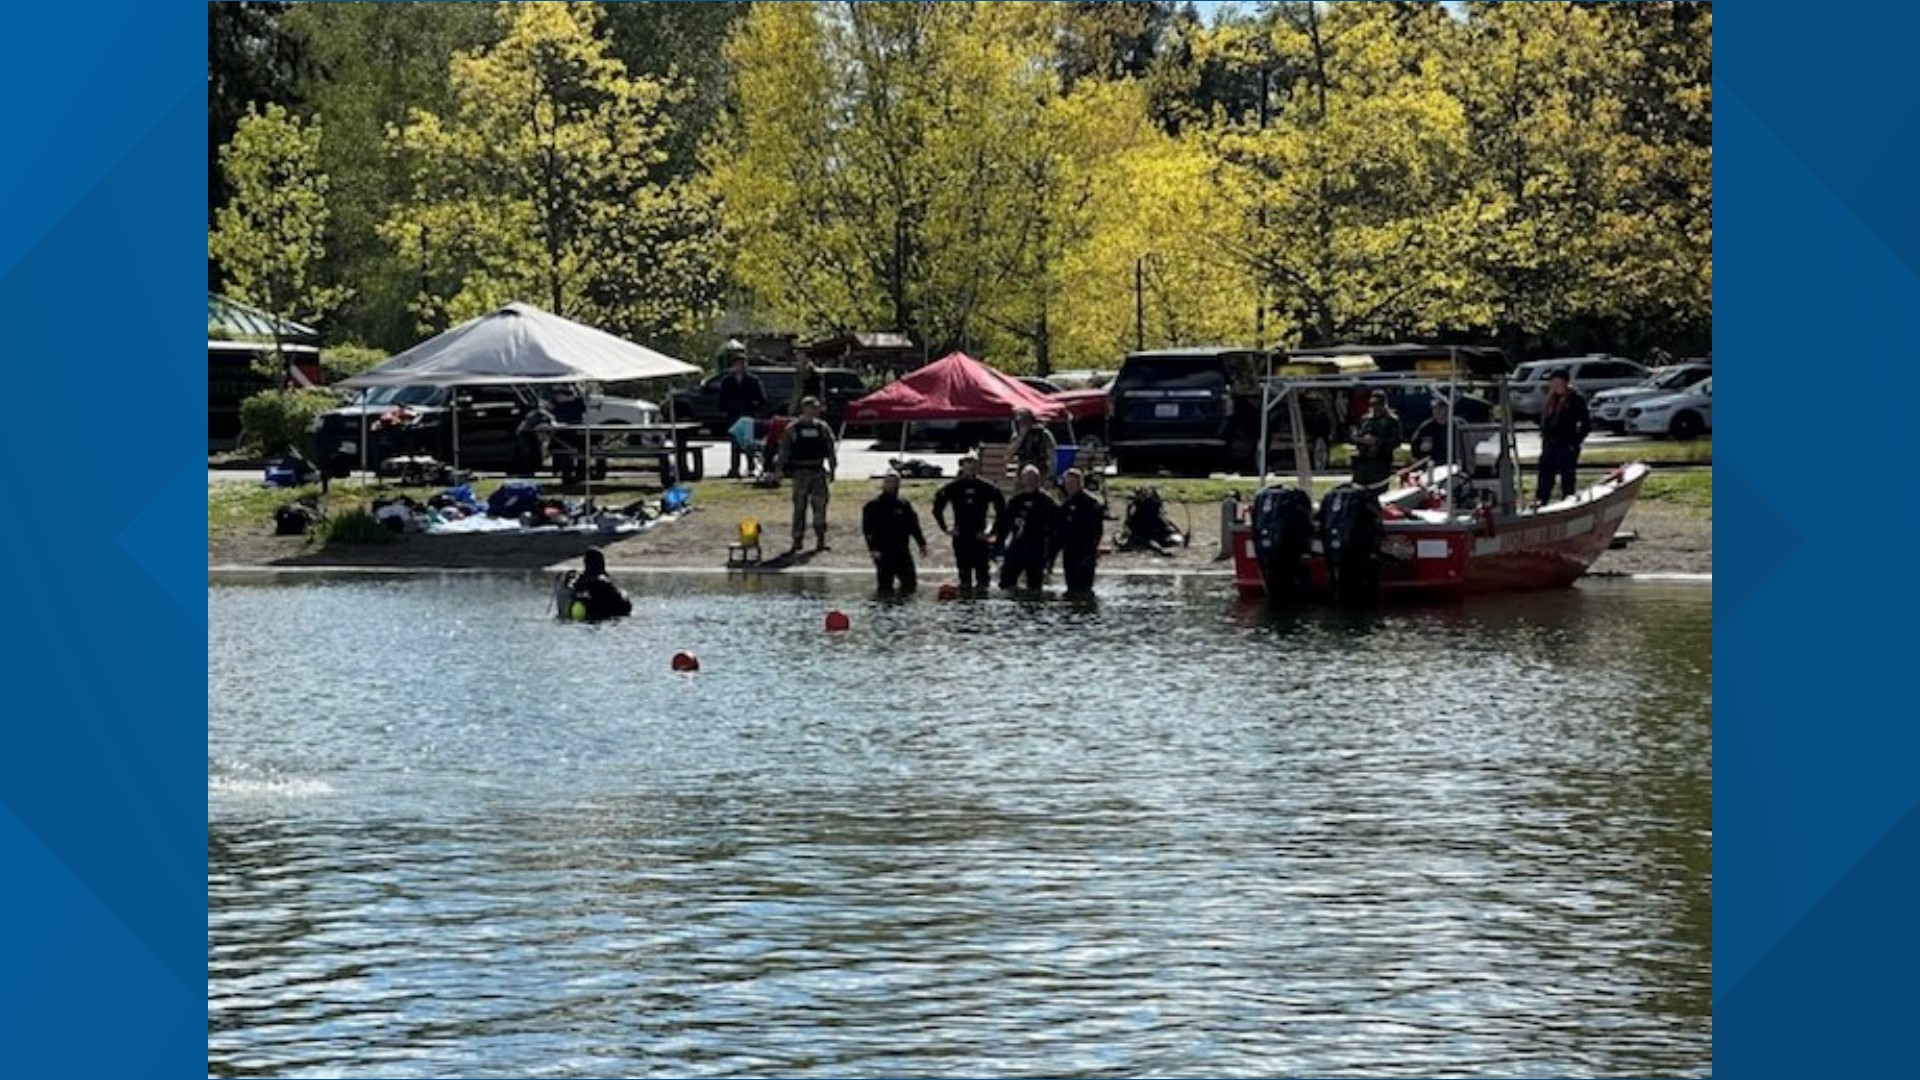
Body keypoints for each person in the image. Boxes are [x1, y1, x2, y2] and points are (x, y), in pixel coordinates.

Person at [932, 454, 1006, 591]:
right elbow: (937, 508)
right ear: (962, 467)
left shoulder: (987, 487)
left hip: (979, 536)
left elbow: (1001, 510)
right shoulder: (953, 487)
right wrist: (945, 528)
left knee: (983, 577)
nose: (970, 469)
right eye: (967, 465)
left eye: (973, 465)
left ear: (977, 466)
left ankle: (980, 604)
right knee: (964, 576)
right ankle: (965, 603)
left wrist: (992, 532)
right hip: (961, 535)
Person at [776, 396, 838, 551]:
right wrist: (779, 470)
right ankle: (797, 539)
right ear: (804, 409)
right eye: (811, 408)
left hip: (817, 471)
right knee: (799, 507)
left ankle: (820, 539)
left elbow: (830, 449)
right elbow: (784, 450)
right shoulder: (792, 429)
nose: (814, 411)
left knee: (820, 507)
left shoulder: (822, 428)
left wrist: (833, 468)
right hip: (800, 472)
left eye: (816, 408)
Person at [862, 470, 929, 594]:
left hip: (902, 551)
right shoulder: (873, 506)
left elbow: (913, 526)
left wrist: (921, 544)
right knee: (885, 587)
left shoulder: (904, 504)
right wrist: (873, 549)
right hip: (883, 552)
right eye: (889, 482)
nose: (892, 485)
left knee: (910, 584)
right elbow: (868, 530)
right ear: (884, 484)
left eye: (895, 482)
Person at [995, 465, 1058, 592]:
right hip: (1017, 546)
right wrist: (998, 546)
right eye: (1027, 478)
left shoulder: (1047, 501)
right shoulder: (1015, 501)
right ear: (1022, 480)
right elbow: (1004, 525)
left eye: (1033, 479)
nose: (1030, 482)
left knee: (1034, 586)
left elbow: (1055, 528)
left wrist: (1050, 555)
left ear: (1039, 480)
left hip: (1037, 548)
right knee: (1005, 583)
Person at [1536, 368, 1592, 504]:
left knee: (1567, 476)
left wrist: (1575, 441)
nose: (1553, 385)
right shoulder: (1550, 399)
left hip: (1567, 444)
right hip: (1550, 443)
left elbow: (1586, 424)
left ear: (1564, 382)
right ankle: (1541, 501)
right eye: (1552, 382)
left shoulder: (1575, 399)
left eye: (1556, 382)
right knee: (1545, 475)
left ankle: (1568, 500)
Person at [1054, 468, 1106, 594]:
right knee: (1071, 587)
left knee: (1084, 588)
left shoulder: (1091, 503)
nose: (1070, 486)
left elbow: (1097, 529)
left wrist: (1093, 549)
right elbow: (1060, 530)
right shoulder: (1066, 505)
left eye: (1073, 483)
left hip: (1085, 550)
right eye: (1068, 483)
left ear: (1080, 483)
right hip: (1069, 550)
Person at [717, 358, 767, 478]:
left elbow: (762, 398)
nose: (740, 366)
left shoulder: (753, 380)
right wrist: (723, 410)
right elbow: (722, 398)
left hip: (747, 415)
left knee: (748, 442)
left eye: (742, 364)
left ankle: (751, 467)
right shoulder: (727, 381)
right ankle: (734, 469)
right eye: (737, 364)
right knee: (734, 443)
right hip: (733, 415)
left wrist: (755, 409)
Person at [1350, 390, 1402, 487]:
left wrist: (1378, 441)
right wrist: (1358, 438)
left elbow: (1396, 441)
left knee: (1378, 491)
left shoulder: (1391, 420)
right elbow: (1357, 437)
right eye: (1372, 404)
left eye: (1378, 404)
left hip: (1381, 462)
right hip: (1363, 461)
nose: (1375, 408)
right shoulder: (1365, 420)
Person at [568, 548, 632, 620]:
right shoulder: (600, 578)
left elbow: (578, 588)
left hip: (615, 610)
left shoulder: (598, 580)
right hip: (621, 608)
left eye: (585, 561)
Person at [1009, 407, 1059, 479]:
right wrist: (1021, 436)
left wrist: (1051, 475)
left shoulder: (1043, 434)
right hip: (1023, 471)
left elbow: (1052, 456)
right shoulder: (1016, 436)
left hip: (1040, 469)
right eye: (1019, 421)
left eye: (1025, 421)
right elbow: (1009, 455)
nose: (1022, 424)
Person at [1409, 397, 1455, 470]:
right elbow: (1414, 446)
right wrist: (1420, 448)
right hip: (1432, 467)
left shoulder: (1457, 425)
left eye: (1441, 408)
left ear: (1447, 409)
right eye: (1434, 408)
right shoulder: (1426, 428)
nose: (1437, 411)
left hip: (1454, 466)